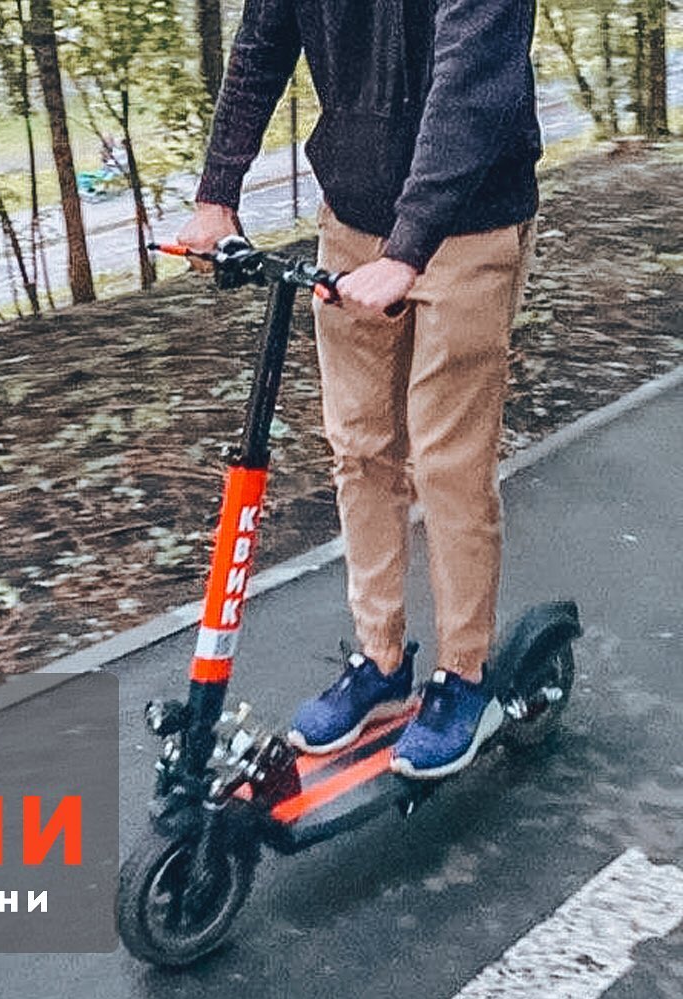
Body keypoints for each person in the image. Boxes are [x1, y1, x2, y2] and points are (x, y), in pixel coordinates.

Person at [177, 0, 540, 778]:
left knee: (447, 463)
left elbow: (472, 82)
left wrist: (407, 250)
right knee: (359, 448)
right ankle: (381, 661)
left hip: (470, 224)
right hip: (353, 221)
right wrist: (217, 195)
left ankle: (465, 675)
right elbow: (262, 43)